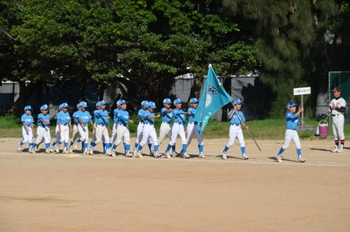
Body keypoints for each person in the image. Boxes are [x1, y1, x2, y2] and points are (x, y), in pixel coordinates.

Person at [328, 87, 346, 153]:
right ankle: (336, 147)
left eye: (336, 92)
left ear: (339, 92)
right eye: (334, 92)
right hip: (333, 117)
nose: (334, 93)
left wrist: (335, 107)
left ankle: (341, 147)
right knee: (335, 133)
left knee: (340, 133)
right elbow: (330, 108)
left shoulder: (342, 100)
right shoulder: (332, 100)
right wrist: (329, 110)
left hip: (339, 117)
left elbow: (343, 110)